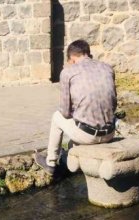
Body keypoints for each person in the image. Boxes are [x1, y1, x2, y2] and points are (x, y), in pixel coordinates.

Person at [35, 39, 117, 175]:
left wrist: (77, 111)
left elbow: (65, 112)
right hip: (109, 133)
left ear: (72, 58)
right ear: (88, 54)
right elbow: (113, 105)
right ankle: (66, 155)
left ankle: (51, 162)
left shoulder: (68, 73)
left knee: (57, 117)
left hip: (87, 136)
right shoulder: (108, 68)